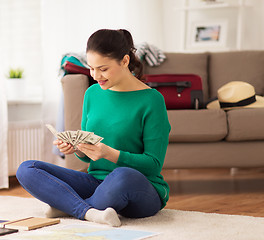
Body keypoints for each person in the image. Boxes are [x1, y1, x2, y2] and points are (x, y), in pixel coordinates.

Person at [16, 29, 171, 227]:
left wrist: (110, 153)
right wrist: (77, 148)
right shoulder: (92, 94)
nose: (96, 75)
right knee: (27, 168)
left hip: (140, 188)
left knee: (122, 174)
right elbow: (88, 153)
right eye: (91, 68)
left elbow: (154, 163)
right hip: (96, 183)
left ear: (124, 61)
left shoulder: (152, 100)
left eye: (103, 69)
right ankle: (90, 211)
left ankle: (69, 207)